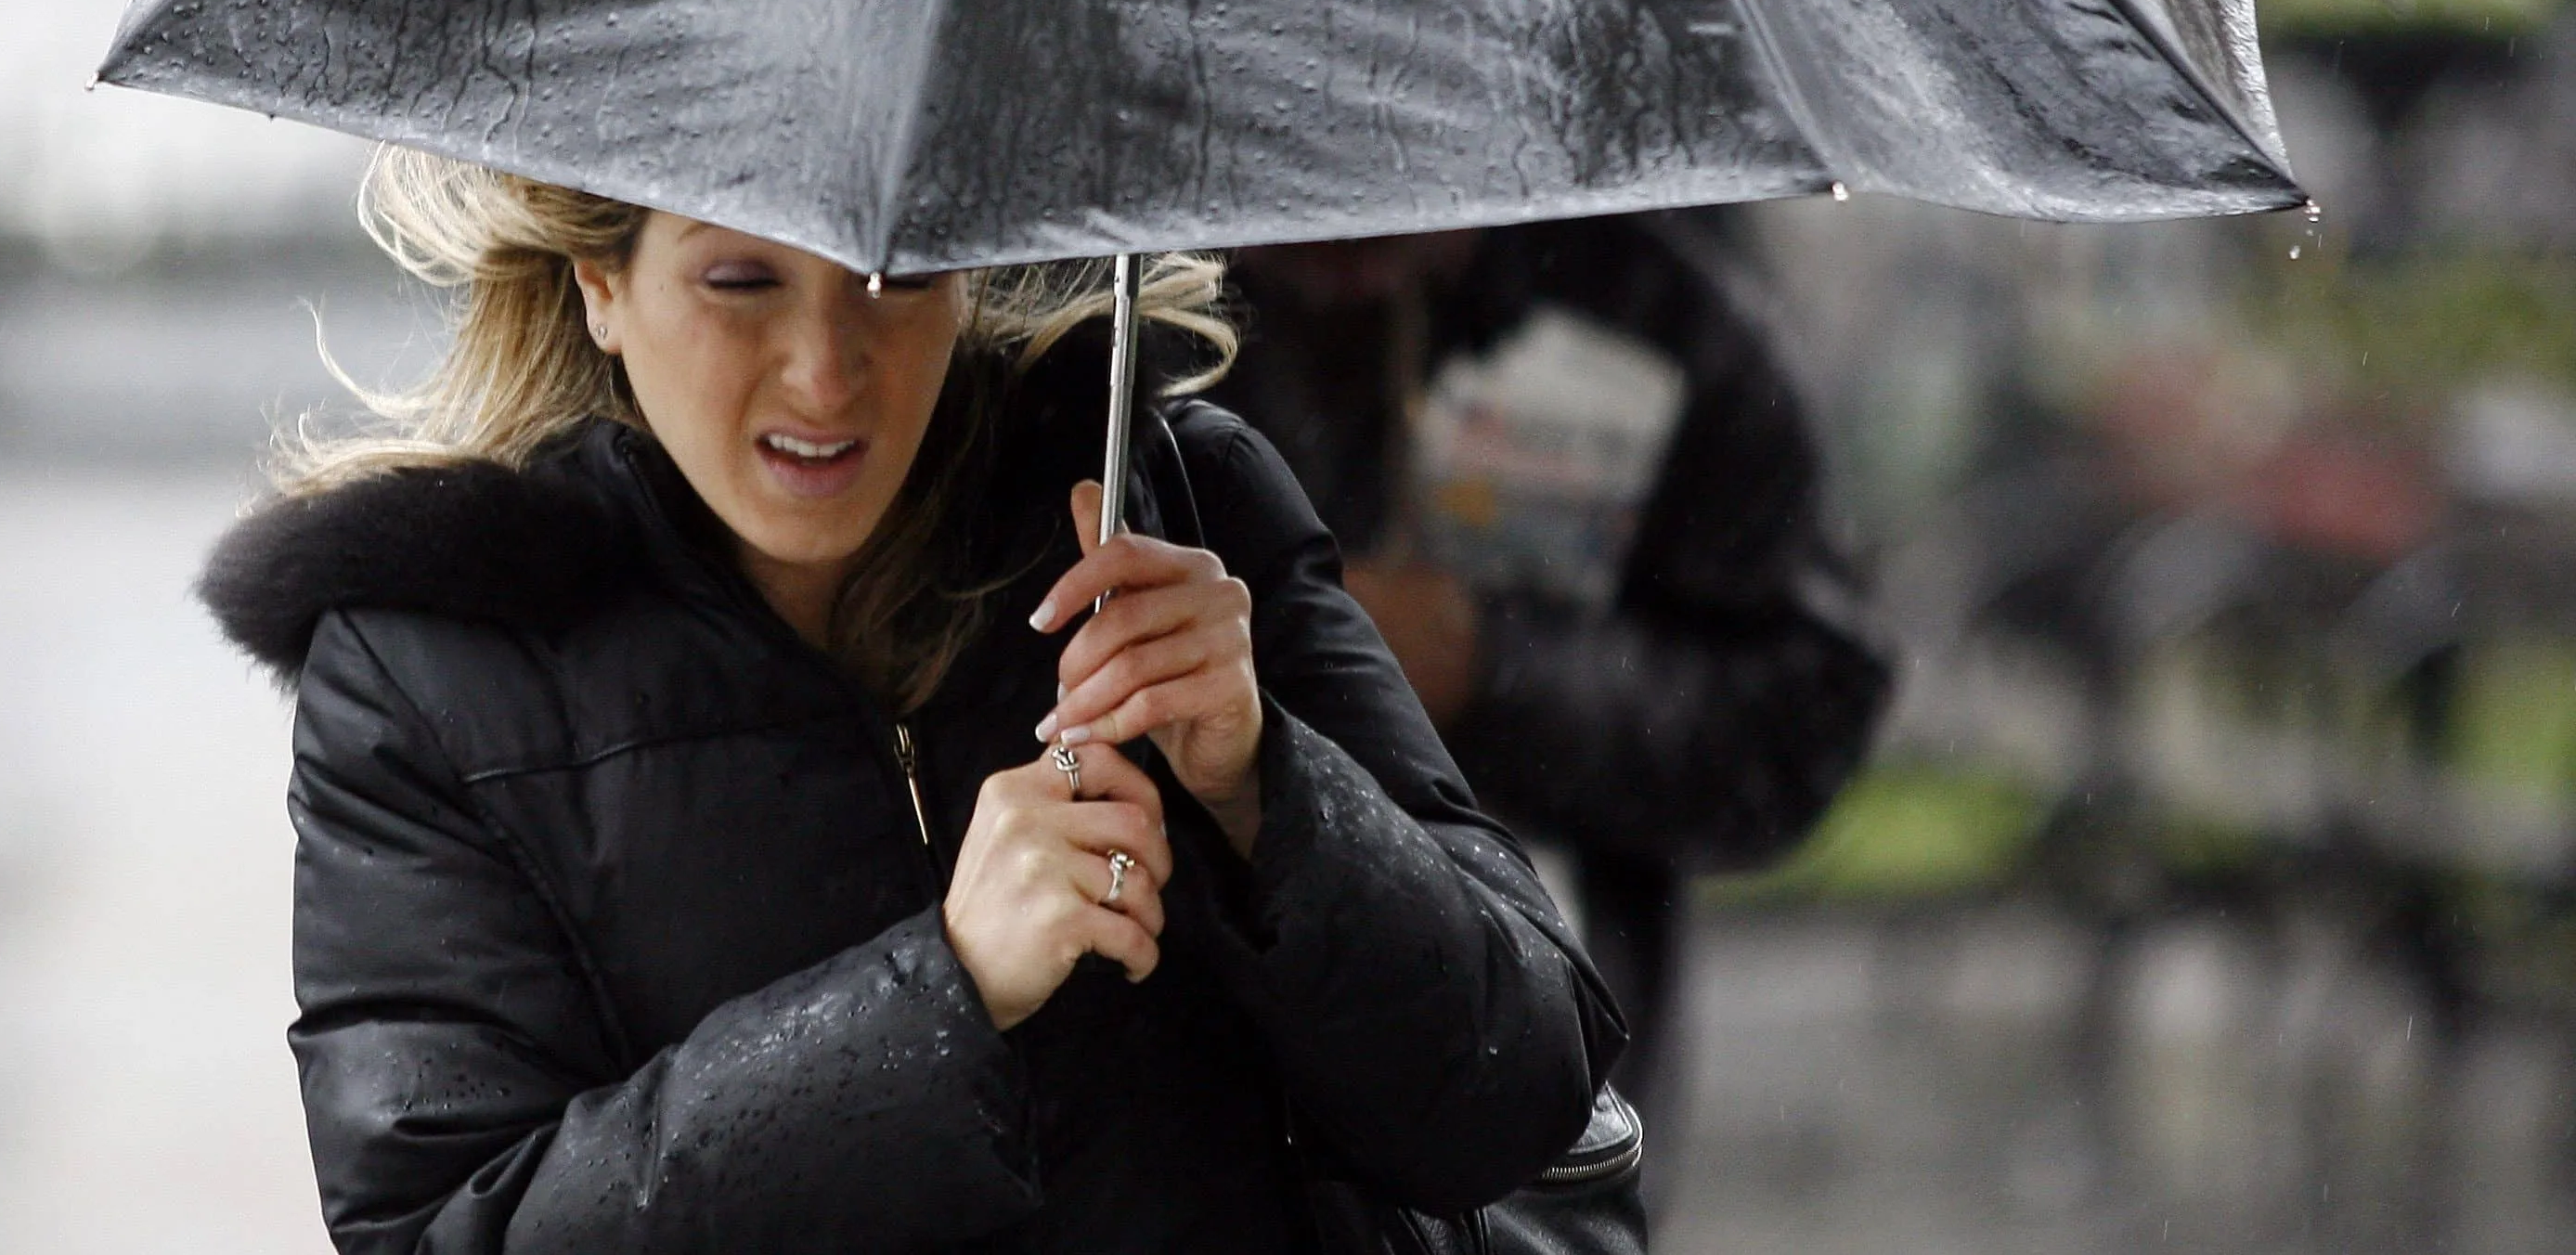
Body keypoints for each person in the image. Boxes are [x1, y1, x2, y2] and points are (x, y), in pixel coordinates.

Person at [196, 153, 1627, 1253]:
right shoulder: (433, 671)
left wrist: (1266, 784)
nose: (828, 370)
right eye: (741, 279)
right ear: (602, 283)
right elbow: (453, 1227)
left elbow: (1520, 1094)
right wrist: (938, 996)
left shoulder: (1171, 507)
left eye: (897, 273)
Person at [1212, 213, 1889, 1164]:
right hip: (1201, 1083)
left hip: (1546, 1077)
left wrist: (1491, 667)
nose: (1343, 260)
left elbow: (1800, 715)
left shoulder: (1639, 313)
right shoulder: (1118, 325)